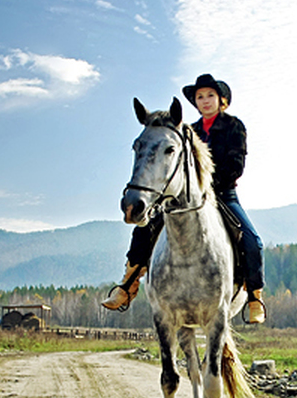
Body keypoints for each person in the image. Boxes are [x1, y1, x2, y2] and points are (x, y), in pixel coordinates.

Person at [102, 73, 267, 324]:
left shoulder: (234, 126)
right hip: (187, 196)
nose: (205, 100)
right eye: (200, 97)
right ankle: (128, 284)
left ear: (221, 100)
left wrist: (208, 183)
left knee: (252, 240)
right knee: (145, 227)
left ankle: (254, 296)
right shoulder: (188, 131)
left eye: (210, 95)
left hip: (223, 193)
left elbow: (236, 164)